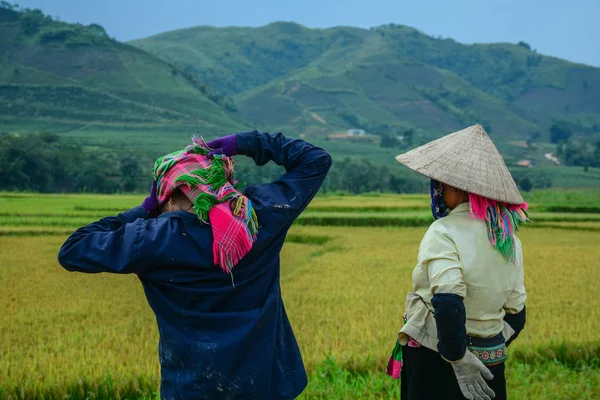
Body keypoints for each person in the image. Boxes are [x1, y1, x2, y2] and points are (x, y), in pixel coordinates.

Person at [57, 130, 332, 400]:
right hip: (268, 386)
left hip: (193, 388)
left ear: (171, 196)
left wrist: (144, 209)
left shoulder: (151, 239)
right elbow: (316, 160)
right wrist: (243, 142)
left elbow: (73, 249)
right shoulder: (258, 217)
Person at [386, 124, 528, 400]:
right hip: (491, 363)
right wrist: (487, 346)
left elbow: (449, 300)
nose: (437, 192)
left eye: (439, 185)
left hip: (439, 360)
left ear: (452, 186)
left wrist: (459, 357)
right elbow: (517, 314)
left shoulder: (444, 230)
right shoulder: (507, 238)